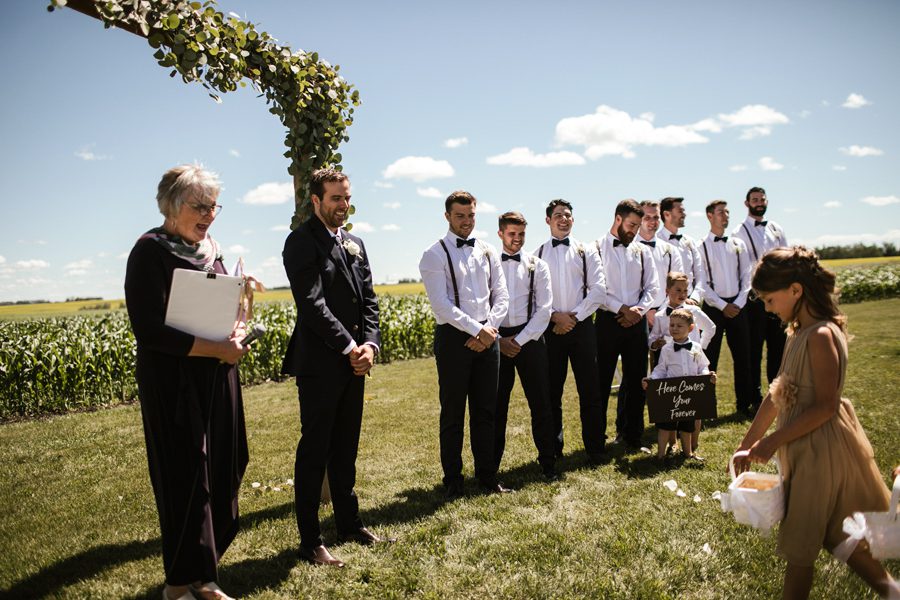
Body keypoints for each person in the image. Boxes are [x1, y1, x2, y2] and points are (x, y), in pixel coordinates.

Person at [733, 246, 898, 600]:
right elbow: (776, 393)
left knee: (799, 544)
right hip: (804, 449)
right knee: (836, 533)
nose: (767, 308)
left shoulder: (821, 335)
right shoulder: (796, 333)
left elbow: (825, 406)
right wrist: (748, 443)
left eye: (770, 299)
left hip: (820, 451)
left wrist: (772, 443)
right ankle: (892, 591)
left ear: (796, 290)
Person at [125, 164, 249, 600]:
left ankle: (204, 570)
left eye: (214, 206)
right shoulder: (149, 252)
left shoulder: (211, 251)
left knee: (229, 465)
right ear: (172, 206)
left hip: (218, 376)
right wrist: (217, 349)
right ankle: (182, 583)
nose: (210, 215)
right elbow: (151, 331)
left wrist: (238, 321)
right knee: (185, 476)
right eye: (200, 206)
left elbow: (217, 308)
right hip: (173, 381)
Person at [282, 168, 391, 569]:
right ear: (316, 201)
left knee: (346, 448)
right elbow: (312, 305)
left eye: (346, 198)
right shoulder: (299, 243)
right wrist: (348, 346)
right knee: (316, 451)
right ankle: (310, 542)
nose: (343, 205)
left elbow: (370, 300)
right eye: (334, 199)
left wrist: (370, 345)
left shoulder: (355, 243)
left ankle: (349, 524)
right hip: (320, 363)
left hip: (355, 363)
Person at [419, 191, 510, 499]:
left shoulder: (487, 250)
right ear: (447, 216)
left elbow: (502, 295)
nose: (467, 222)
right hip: (453, 339)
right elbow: (441, 306)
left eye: (471, 215)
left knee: (487, 410)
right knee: (454, 411)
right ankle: (453, 480)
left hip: (489, 336)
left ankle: (487, 476)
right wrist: (476, 330)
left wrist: (489, 329)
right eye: (460, 216)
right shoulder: (433, 254)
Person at [534, 199, 608, 463]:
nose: (563, 219)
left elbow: (598, 289)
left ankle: (596, 448)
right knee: (551, 392)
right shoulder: (537, 254)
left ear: (573, 220)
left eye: (567, 215)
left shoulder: (586, 251)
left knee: (590, 390)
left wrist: (573, 317)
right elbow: (536, 295)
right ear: (548, 220)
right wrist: (555, 317)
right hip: (551, 329)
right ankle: (554, 449)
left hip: (582, 326)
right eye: (558, 215)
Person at [494, 211, 558, 481]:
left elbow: (544, 310)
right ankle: (490, 469)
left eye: (521, 234)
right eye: (512, 234)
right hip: (496, 339)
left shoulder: (537, 265)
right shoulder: (489, 264)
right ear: (500, 234)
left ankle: (548, 463)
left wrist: (518, 341)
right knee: (496, 406)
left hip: (529, 339)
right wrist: (499, 341)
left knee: (541, 403)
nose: (517, 239)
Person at [594, 200, 659, 450]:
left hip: (637, 322)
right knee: (600, 382)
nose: (634, 230)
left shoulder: (643, 250)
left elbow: (653, 286)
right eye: (632, 224)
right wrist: (621, 309)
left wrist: (637, 310)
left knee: (636, 381)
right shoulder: (596, 248)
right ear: (618, 219)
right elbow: (596, 289)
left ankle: (632, 436)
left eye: (637, 225)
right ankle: (596, 439)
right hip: (608, 321)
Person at [648, 272, 716, 456]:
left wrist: (698, 348)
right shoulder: (662, 315)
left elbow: (711, 328)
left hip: (692, 367)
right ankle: (672, 444)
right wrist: (655, 343)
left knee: (695, 408)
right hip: (671, 368)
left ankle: (693, 445)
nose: (683, 293)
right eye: (678, 289)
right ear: (667, 291)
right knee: (672, 409)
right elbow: (653, 337)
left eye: (686, 290)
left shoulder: (693, 311)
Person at [732, 186, 789, 407]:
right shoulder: (739, 231)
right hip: (755, 299)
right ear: (747, 203)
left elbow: (786, 257)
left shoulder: (776, 228)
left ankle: (778, 394)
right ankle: (754, 398)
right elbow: (743, 267)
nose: (759, 202)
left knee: (778, 347)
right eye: (755, 199)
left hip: (780, 296)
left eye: (762, 199)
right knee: (753, 350)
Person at [699, 200, 755, 417]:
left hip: (738, 306)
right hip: (713, 307)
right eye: (721, 212)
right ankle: (706, 407)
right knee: (708, 358)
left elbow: (746, 276)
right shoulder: (700, 246)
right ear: (709, 216)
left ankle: (745, 404)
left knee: (744, 356)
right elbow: (701, 282)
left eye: (727, 212)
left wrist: (738, 303)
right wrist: (722, 305)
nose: (726, 215)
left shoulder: (738, 244)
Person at [636, 200, 684, 325]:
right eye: (647, 218)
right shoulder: (628, 248)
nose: (653, 221)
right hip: (636, 315)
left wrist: (661, 312)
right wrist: (644, 311)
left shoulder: (671, 250)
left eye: (656, 217)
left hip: (666, 314)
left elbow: (678, 285)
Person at [658, 197, 706, 305]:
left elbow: (700, 273)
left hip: (689, 303)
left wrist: (694, 298)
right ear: (666, 214)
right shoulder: (657, 242)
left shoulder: (690, 241)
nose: (684, 214)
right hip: (663, 305)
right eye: (680, 211)